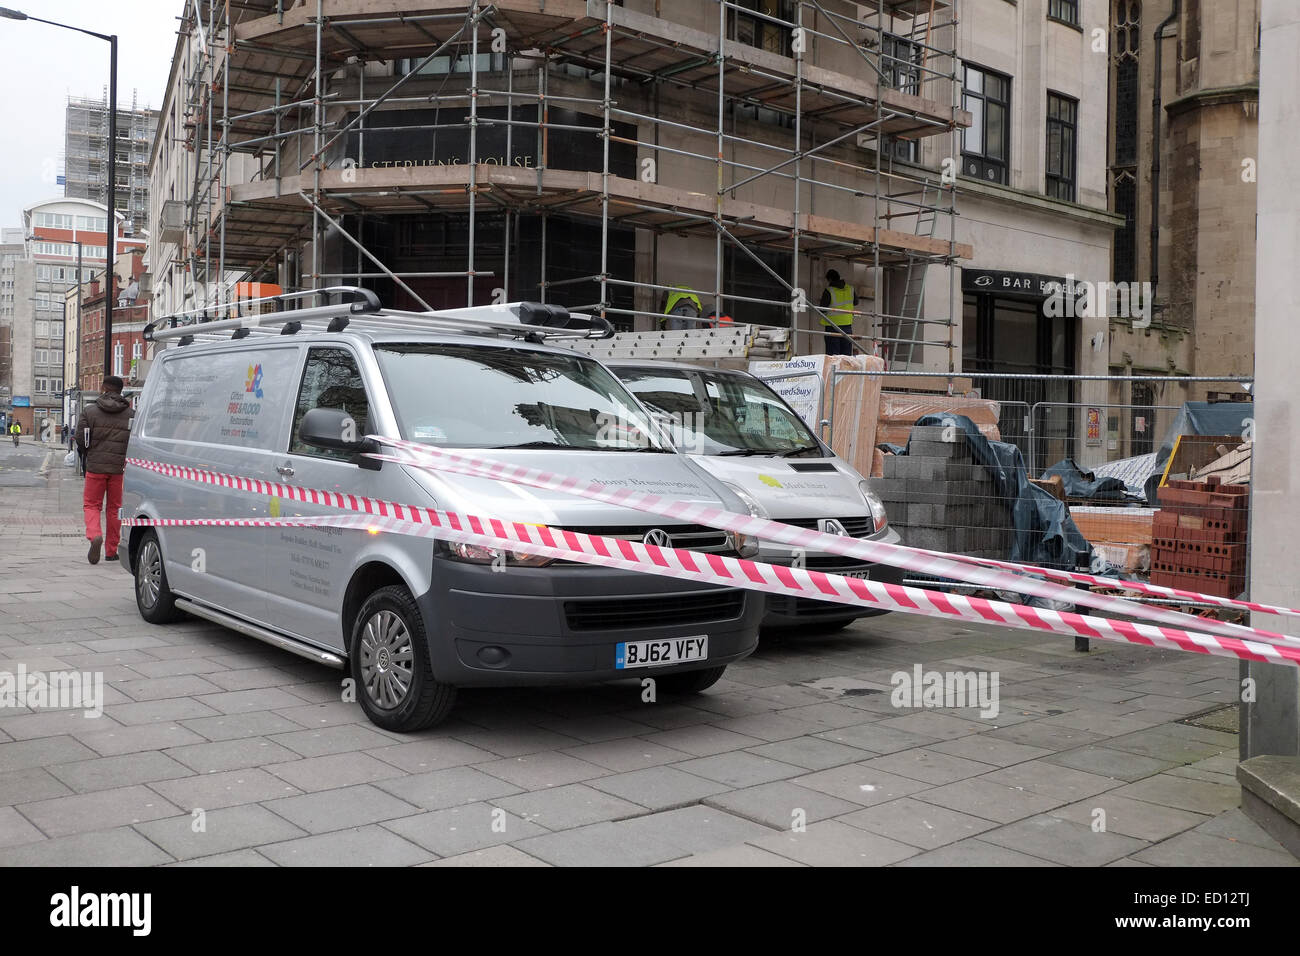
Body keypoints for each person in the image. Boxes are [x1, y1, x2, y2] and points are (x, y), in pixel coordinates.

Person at [77, 375, 134, 565]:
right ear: (121, 390)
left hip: (95, 467)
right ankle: (111, 551)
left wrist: (88, 454)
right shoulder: (131, 414)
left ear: (103, 388)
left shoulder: (89, 411)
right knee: (115, 508)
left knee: (92, 505)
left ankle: (94, 535)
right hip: (119, 469)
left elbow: (80, 439)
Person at [819, 269, 856, 356]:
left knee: (833, 355)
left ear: (830, 279)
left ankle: (834, 370)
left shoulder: (829, 291)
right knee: (846, 356)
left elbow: (822, 308)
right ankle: (845, 370)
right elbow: (856, 302)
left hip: (832, 327)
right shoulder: (850, 289)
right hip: (847, 326)